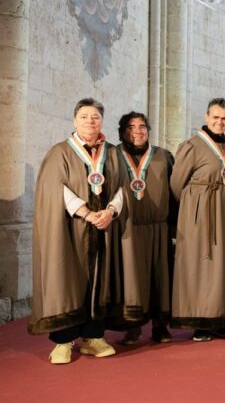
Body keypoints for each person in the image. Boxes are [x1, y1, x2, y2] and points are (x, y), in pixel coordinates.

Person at [29, 98, 125, 364]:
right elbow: (54, 189)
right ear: (74, 120)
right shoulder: (60, 152)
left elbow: (122, 188)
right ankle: (63, 341)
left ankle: (93, 337)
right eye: (84, 117)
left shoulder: (113, 152)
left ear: (101, 121)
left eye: (95, 117)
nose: (90, 122)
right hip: (71, 228)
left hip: (103, 228)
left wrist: (110, 211)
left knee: (99, 281)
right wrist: (85, 212)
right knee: (66, 281)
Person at [170, 98, 225, 342]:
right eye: (215, 117)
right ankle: (200, 321)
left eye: (224, 119)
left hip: (224, 211)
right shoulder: (192, 145)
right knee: (201, 265)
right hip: (200, 214)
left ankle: (220, 317)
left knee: (222, 265)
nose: (220, 122)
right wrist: (195, 209)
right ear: (206, 117)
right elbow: (176, 184)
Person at [115, 112, 175, 345]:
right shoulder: (113, 156)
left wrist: (174, 227)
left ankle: (161, 326)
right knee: (132, 279)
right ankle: (133, 326)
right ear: (122, 131)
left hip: (158, 227)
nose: (138, 131)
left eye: (142, 126)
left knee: (161, 277)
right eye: (131, 127)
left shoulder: (163, 156)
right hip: (128, 229)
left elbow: (175, 192)